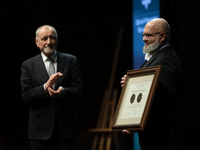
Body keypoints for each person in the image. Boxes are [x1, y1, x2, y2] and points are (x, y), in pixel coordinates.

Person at [121, 18, 183, 150]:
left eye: (149, 35)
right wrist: (131, 85)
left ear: (162, 36)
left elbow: (165, 101)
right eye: (143, 35)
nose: (144, 39)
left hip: (161, 137)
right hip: (155, 135)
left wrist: (137, 124)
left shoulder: (166, 59)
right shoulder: (157, 57)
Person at [20, 25, 83, 150]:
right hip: (39, 131)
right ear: (37, 42)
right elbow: (26, 95)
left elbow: (79, 90)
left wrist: (63, 92)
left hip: (66, 129)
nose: (49, 42)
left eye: (52, 38)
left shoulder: (71, 60)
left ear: (57, 40)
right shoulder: (28, 65)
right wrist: (45, 87)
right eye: (44, 38)